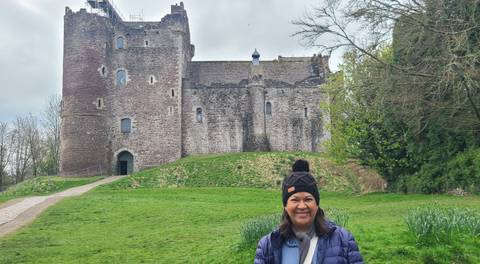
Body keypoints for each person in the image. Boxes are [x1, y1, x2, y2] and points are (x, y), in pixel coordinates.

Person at [254, 159, 364, 264]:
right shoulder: (267, 245)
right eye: (295, 200)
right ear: (285, 206)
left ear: (316, 204)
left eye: (308, 199)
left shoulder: (343, 239)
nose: (302, 206)